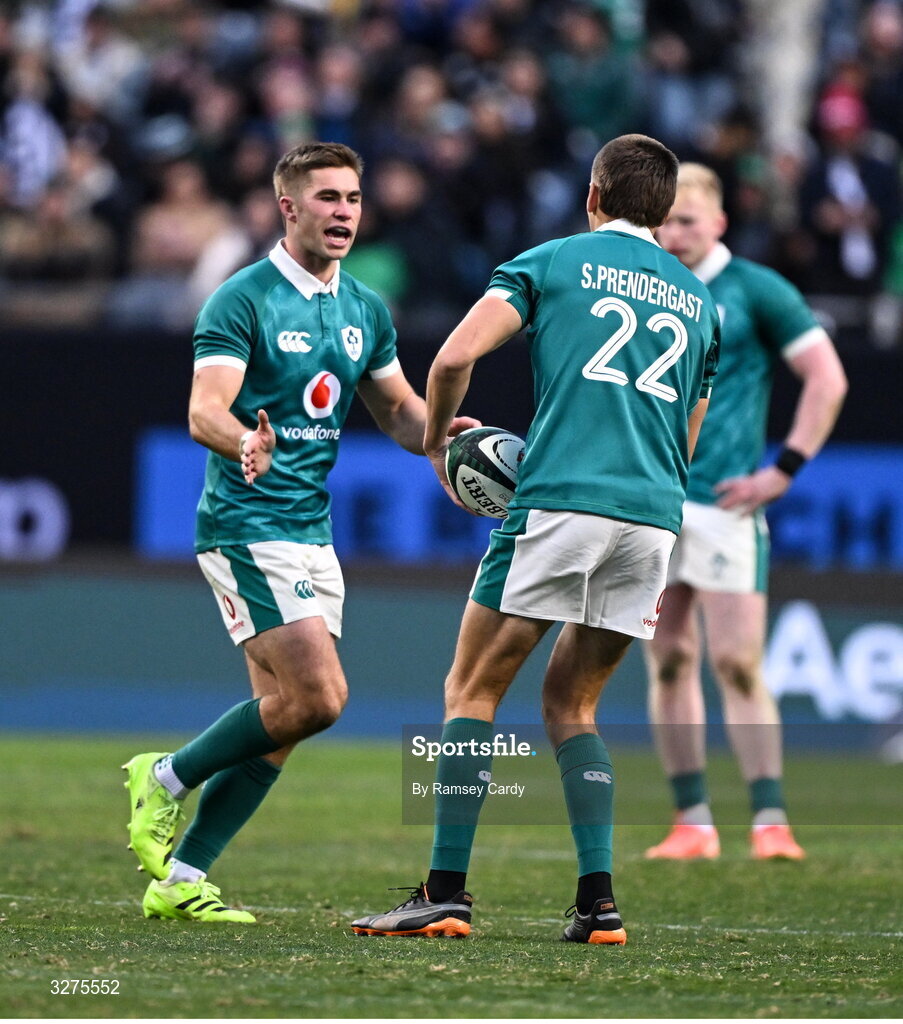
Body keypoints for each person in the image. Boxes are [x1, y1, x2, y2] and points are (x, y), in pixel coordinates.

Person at [351, 134, 721, 944]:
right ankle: (599, 906)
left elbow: (453, 353)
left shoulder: (551, 262)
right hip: (653, 517)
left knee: (471, 691)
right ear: (662, 213)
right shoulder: (699, 302)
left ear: (593, 197)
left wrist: (438, 441)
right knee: (573, 704)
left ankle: (443, 892)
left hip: (559, 505)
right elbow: (688, 438)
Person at [121, 141, 477, 923]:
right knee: (319, 699)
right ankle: (166, 777)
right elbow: (203, 408)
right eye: (327, 198)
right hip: (246, 524)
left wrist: (448, 435)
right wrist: (240, 439)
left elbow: (401, 417)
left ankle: (180, 878)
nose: (344, 212)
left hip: (310, 529)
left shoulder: (363, 310)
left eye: (352, 198)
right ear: (289, 207)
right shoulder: (241, 299)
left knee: (276, 726)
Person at [643, 163, 848, 862]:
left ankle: (768, 820)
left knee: (735, 662)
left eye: (688, 222)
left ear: (718, 223)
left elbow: (826, 377)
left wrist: (782, 470)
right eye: (665, 221)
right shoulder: (644, 286)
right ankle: (691, 821)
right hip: (654, 499)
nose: (673, 234)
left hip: (726, 505)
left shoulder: (756, 289)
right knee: (668, 661)